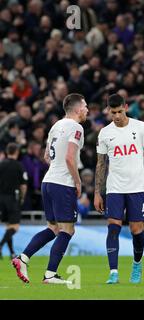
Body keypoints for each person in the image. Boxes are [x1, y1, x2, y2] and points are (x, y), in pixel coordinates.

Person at [12, 93, 89, 284]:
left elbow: (47, 156)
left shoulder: (56, 126)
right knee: (67, 230)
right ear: (78, 109)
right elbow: (70, 158)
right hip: (63, 183)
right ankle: (50, 274)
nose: (87, 110)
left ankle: (23, 258)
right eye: (85, 106)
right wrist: (78, 181)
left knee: (53, 228)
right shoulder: (76, 127)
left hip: (49, 181)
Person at [94, 93, 144, 285]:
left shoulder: (140, 127)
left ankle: (137, 264)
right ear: (109, 111)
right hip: (115, 188)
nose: (116, 116)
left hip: (138, 187)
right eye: (113, 112)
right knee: (113, 227)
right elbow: (101, 164)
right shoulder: (105, 133)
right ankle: (113, 272)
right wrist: (97, 192)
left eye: (120, 111)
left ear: (126, 107)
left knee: (136, 229)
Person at [0, 143, 27, 259]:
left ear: (7, 151)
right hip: (12, 198)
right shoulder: (19, 166)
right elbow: (23, 185)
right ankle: (0, 246)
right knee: (15, 226)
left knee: (8, 226)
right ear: (16, 152)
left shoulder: (1, 165)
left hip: (1, 199)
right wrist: (22, 198)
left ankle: (11, 253)